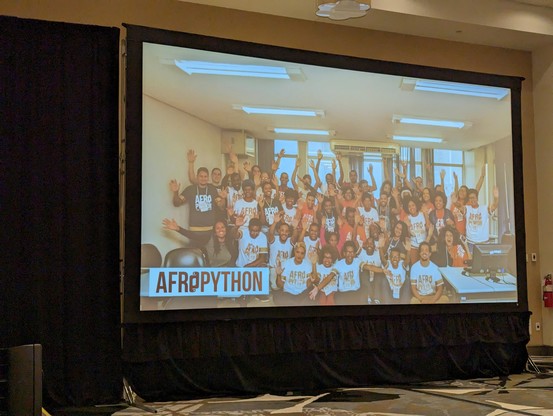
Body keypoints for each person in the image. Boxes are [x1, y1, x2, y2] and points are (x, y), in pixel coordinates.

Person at [170, 167, 220, 246]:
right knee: (195, 253)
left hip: (211, 230)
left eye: (205, 176)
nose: (203, 178)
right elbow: (177, 203)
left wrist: (223, 198)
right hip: (194, 231)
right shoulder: (190, 189)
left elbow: (220, 205)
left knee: (210, 255)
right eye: (201, 176)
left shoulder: (212, 189)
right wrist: (175, 192)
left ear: (208, 177)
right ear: (197, 177)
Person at [162, 218, 237, 267]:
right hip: (210, 274)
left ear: (226, 229)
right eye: (217, 228)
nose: (220, 230)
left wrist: (237, 226)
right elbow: (193, 235)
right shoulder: (208, 238)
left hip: (226, 273)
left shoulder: (230, 241)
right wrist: (178, 229)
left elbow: (232, 261)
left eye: (222, 227)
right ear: (214, 232)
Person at [267, 212, 297, 291]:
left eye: (287, 231)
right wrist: (275, 222)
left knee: (287, 288)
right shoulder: (274, 239)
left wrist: (294, 227)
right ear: (279, 231)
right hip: (274, 268)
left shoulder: (290, 241)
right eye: (282, 230)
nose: (284, 233)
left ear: (289, 233)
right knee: (275, 287)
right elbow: (270, 233)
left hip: (286, 269)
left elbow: (295, 236)